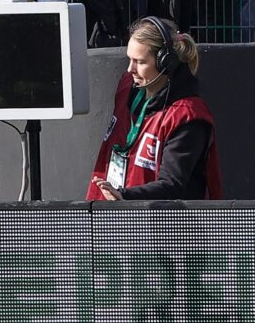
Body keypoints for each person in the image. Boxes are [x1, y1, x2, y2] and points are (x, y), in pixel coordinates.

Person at [87, 16, 222, 200]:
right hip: (114, 217)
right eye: (130, 59)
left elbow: (172, 185)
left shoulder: (188, 117)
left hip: (161, 224)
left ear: (165, 63)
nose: (130, 69)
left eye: (140, 62)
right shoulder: (128, 86)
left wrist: (125, 196)